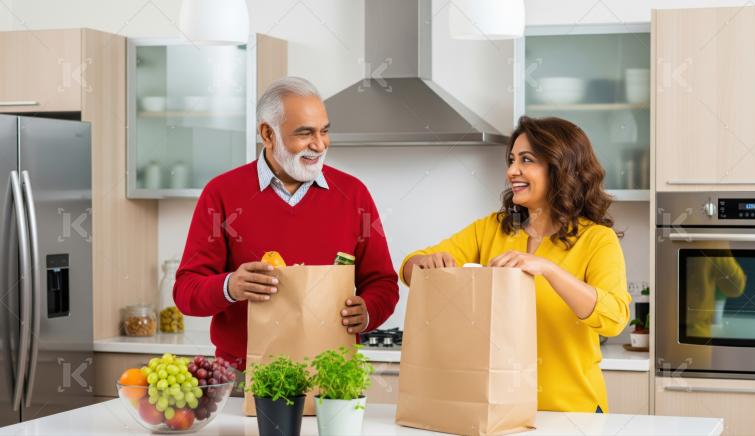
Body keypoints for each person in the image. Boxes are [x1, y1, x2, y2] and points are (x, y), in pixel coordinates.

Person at [400, 116, 630, 413]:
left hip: (572, 412)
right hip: (498, 409)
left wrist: (548, 269)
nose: (512, 171)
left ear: (560, 168)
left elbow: (614, 318)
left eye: (526, 160)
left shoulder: (597, 239)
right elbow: (409, 268)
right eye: (511, 160)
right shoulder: (492, 229)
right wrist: (424, 262)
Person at [174, 77, 399, 371]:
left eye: (324, 131)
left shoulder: (354, 194)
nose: (319, 145)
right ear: (268, 134)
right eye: (305, 133)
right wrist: (231, 286)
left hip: (332, 376)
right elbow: (186, 291)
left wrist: (368, 312)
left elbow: (383, 283)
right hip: (244, 376)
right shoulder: (222, 194)